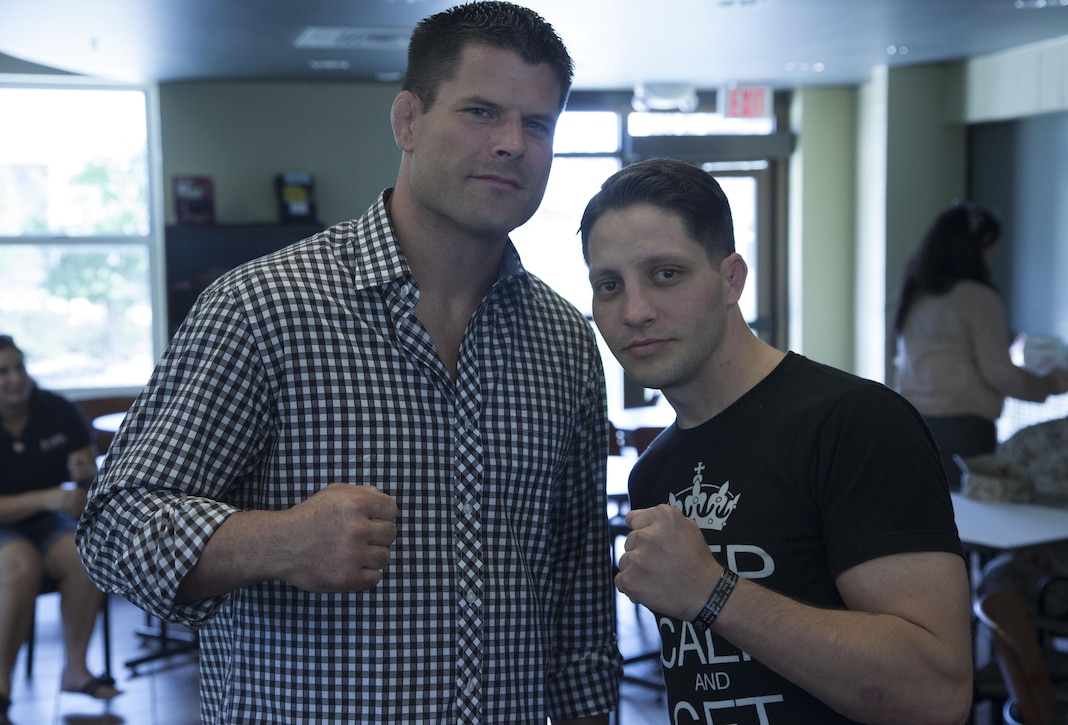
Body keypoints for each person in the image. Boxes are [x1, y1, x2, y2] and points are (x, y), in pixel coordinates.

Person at [76, 3, 621, 723]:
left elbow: (580, 596)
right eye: (481, 112)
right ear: (407, 121)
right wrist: (273, 541)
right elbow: (113, 527)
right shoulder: (262, 308)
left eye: (538, 123)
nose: (513, 144)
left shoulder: (564, 342)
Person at [580, 159, 974, 724]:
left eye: (666, 274)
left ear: (731, 280)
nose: (635, 311)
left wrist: (712, 592)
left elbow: (935, 693)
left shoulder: (854, 423)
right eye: (608, 285)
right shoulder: (654, 473)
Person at [892, 202, 1068, 489]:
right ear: (972, 249)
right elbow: (999, 374)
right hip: (963, 429)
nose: (991, 258)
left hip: (911, 424)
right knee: (965, 522)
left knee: (926, 513)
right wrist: (1051, 384)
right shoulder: (979, 297)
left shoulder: (917, 293)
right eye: (990, 250)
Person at [0, 335, 120, 724]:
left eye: (19, 367)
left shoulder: (56, 409)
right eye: (3, 372)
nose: (16, 378)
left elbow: (88, 484)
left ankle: (76, 670)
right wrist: (49, 498)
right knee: (20, 565)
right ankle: (1, 687)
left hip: (48, 523)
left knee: (84, 556)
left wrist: (88, 477)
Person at [961, 339, 1068, 618]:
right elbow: (991, 499)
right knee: (996, 585)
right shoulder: (1031, 442)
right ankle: (1025, 664)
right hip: (1046, 563)